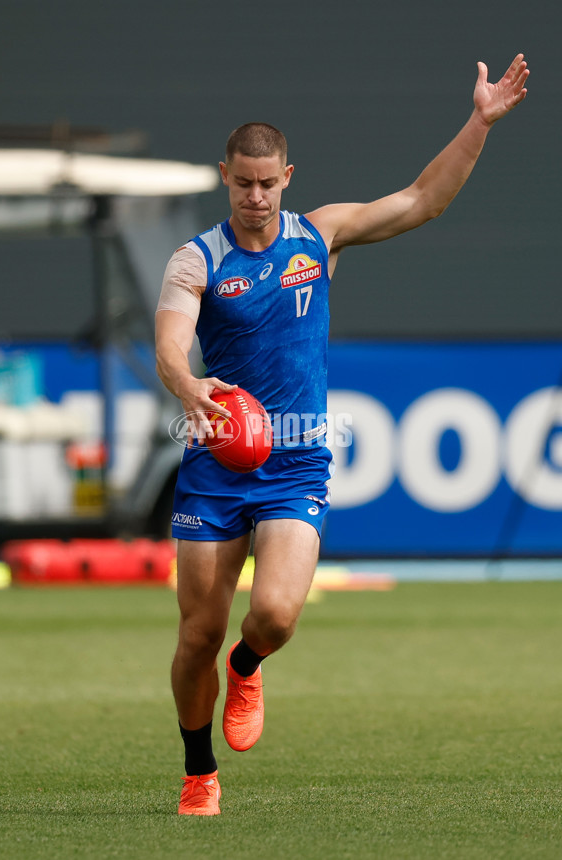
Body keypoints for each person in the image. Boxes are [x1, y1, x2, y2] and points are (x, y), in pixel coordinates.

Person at [155, 54, 529, 815]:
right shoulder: (196, 258)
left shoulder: (317, 238)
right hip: (218, 460)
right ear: (222, 175)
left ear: (288, 176)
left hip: (294, 461)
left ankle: (250, 665)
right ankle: (200, 773)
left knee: (277, 615)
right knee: (197, 632)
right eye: (242, 182)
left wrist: (479, 122)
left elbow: (425, 200)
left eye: (268, 182)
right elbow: (170, 339)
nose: (255, 195)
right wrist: (188, 384)